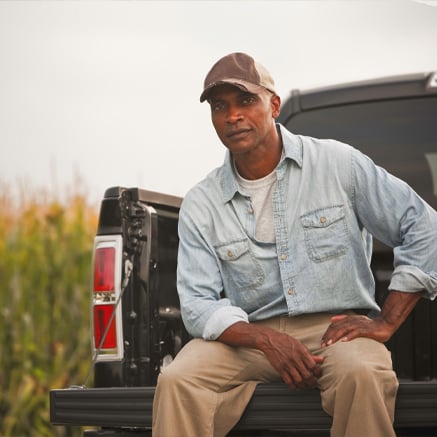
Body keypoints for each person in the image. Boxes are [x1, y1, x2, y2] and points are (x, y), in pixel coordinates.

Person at [152, 52, 437, 437]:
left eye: (246, 101)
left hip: (334, 331)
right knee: (178, 379)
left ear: (273, 104)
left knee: (362, 373)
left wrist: (386, 322)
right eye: (220, 106)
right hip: (247, 337)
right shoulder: (202, 202)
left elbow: (423, 225)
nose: (233, 115)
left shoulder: (338, 164)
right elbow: (199, 305)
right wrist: (267, 340)